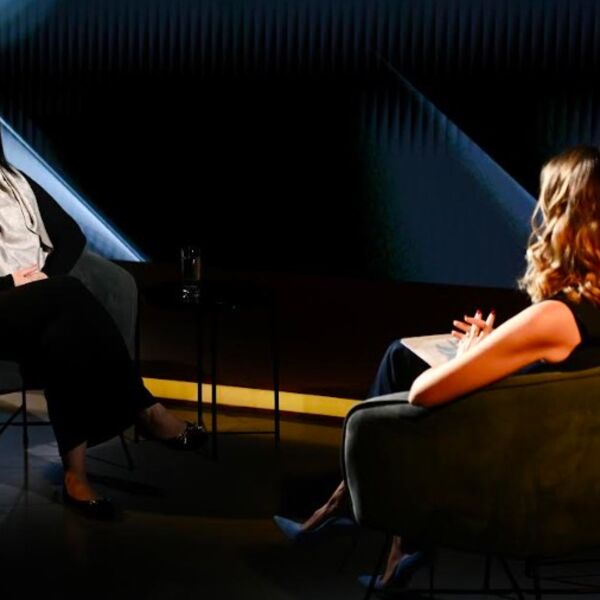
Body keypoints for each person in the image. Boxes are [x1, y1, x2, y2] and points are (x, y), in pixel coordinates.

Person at [274, 144, 600, 593]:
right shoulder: (581, 313)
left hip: (510, 471)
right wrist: (498, 346)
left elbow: (423, 393)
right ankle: (387, 540)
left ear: (565, 218)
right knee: (402, 356)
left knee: (410, 377)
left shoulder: (555, 316)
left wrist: (468, 354)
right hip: (557, 462)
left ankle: (357, 516)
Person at [0, 132, 207, 519]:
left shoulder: (14, 181)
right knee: (67, 298)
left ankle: (76, 478)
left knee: (63, 335)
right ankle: (143, 408)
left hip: (39, 304)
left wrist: (44, 281)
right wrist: (13, 282)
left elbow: (70, 235)